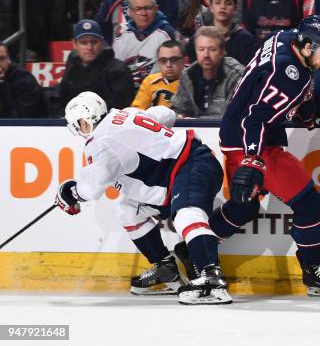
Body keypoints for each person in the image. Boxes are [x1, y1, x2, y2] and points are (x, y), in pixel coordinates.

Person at [210, 15, 320, 297]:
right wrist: (252, 159)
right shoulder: (289, 75)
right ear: (308, 45)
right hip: (252, 141)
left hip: (237, 131)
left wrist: (303, 107)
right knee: (309, 204)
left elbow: (269, 92)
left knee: (244, 207)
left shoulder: (285, 37)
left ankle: (192, 248)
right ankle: (313, 272)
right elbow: (255, 120)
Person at [55, 91, 231, 304]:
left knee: (187, 214)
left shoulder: (101, 142)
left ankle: (211, 278)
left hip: (190, 166)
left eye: (80, 125)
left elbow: (91, 188)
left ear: (86, 120)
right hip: (184, 170)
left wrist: (70, 193)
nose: (82, 131)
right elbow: (165, 114)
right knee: (128, 210)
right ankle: (166, 270)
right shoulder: (125, 113)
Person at [60, 19, 134, 112]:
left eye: (94, 42)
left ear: (102, 42)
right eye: (84, 42)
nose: (89, 47)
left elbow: (120, 106)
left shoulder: (118, 70)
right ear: (74, 44)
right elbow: (61, 100)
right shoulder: (72, 67)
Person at [171, 26, 244, 118]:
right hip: (193, 130)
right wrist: (179, 116)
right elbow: (179, 109)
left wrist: (195, 121)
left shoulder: (236, 75)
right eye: (201, 49)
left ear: (222, 52)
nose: (206, 55)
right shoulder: (187, 75)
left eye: (212, 49)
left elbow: (233, 116)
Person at [113, 0, 176, 86]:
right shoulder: (121, 37)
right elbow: (115, 73)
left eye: (148, 8)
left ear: (156, 9)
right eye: (138, 9)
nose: (143, 13)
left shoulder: (168, 34)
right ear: (130, 13)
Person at [208, 0, 256, 65]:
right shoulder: (200, 38)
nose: (223, 7)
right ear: (211, 7)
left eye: (228, 3)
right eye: (218, 2)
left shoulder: (246, 39)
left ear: (235, 8)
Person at [131, 40, 183, 110]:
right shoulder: (150, 81)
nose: (169, 65)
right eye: (163, 60)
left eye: (174, 60)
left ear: (184, 60)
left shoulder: (192, 81)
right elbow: (137, 111)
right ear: (158, 62)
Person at [0, 42, 46, 118]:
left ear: (8, 58)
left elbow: (21, 120)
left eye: (2, 58)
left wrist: (3, 88)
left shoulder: (25, 81)